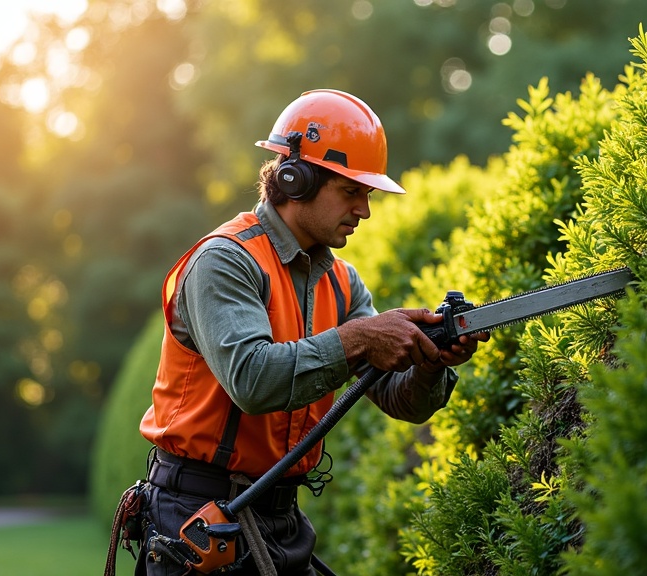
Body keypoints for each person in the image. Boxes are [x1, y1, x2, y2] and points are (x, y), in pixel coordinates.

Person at [132, 89, 487, 575]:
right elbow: (254, 381)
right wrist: (362, 338)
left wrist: (429, 363)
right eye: (352, 192)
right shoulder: (225, 261)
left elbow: (400, 399)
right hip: (196, 515)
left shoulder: (341, 282)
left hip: (280, 518)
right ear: (295, 180)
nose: (364, 210)